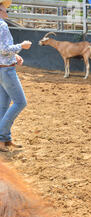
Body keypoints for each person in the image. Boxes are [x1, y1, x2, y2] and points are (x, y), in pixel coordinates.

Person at [0, 0, 31, 152]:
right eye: (5, 9)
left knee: (4, 106)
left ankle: (5, 140)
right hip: (6, 70)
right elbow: (4, 49)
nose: (7, 11)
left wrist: (15, 57)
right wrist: (21, 46)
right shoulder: (3, 25)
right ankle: (1, 136)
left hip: (2, 68)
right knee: (20, 102)